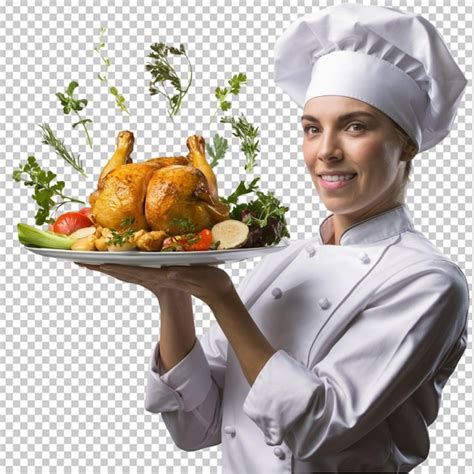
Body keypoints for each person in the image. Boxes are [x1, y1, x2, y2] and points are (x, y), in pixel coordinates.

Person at [76, 3, 469, 473]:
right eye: (312, 129)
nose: (326, 151)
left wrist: (221, 298)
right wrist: (172, 293)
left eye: (356, 126)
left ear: (407, 143)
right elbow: (196, 426)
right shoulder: (284, 259)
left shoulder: (429, 282)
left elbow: (317, 428)